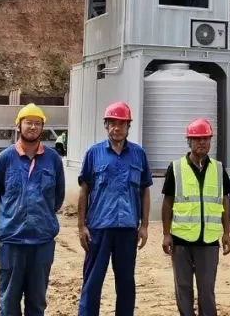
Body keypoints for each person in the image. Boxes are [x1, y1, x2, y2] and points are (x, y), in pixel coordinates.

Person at [0, 103, 66, 316]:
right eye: (28, 122)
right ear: (19, 126)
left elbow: (58, 197)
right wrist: (7, 219)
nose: (32, 127)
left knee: (37, 303)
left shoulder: (53, 160)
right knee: (9, 302)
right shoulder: (4, 159)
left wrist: (42, 217)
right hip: (12, 242)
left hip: (42, 241)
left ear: (42, 128)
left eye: (37, 123)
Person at [77, 101, 153, 316]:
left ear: (128, 126)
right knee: (92, 283)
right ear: (106, 125)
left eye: (121, 124)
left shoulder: (138, 155)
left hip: (128, 228)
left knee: (126, 284)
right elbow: (84, 191)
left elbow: (145, 191)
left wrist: (145, 225)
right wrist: (81, 226)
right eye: (112, 123)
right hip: (99, 228)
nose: (116, 128)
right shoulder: (94, 153)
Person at [161, 118, 230, 316]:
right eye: (197, 139)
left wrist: (226, 233)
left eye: (206, 139)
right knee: (183, 288)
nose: (202, 142)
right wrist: (166, 234)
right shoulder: (175, 168)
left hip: (209, 241)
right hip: (181, 239)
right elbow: (167, 203)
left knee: (207, 289)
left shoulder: (218, 169)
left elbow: (225, 201)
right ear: (189, 142)